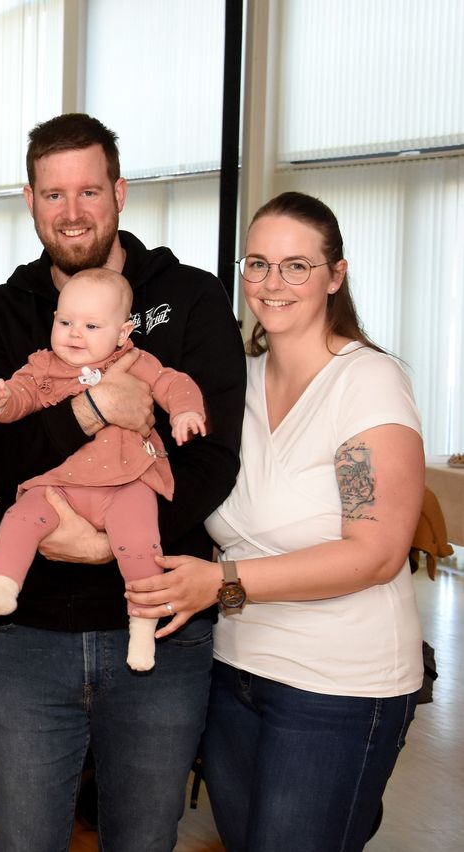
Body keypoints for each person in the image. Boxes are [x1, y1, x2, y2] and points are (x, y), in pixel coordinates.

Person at [0, 113, 246, 851]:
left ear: (118, 192)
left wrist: (108, 540)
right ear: (30, 200)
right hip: (28, 635)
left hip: (160, 625)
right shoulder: (0, 313)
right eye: (53, 194)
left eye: (89, 190)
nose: (72, 211)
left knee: (143, 841)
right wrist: (90, 410)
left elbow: (214, 459)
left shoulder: (191, 298)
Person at [124, 192, 424, 852]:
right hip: (235, 672)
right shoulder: (236, 384)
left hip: (339, 685)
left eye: (296, 266)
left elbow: (375, 553)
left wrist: (220, 583)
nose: (272, 283)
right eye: (257, 264)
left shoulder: (366, 382)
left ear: (335, 275)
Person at [0, 268, 207, 672]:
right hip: (60, 485)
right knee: (19, 517)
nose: (75, 334)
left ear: (123, 332)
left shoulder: (135, 362)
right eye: (65, 322)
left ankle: (143, 623)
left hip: (125, 482)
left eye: (91, 326)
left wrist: (185, 411)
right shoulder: (42, 367)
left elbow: (173, 384)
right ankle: (2, 586)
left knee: (139, 537)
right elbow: (20, 399)